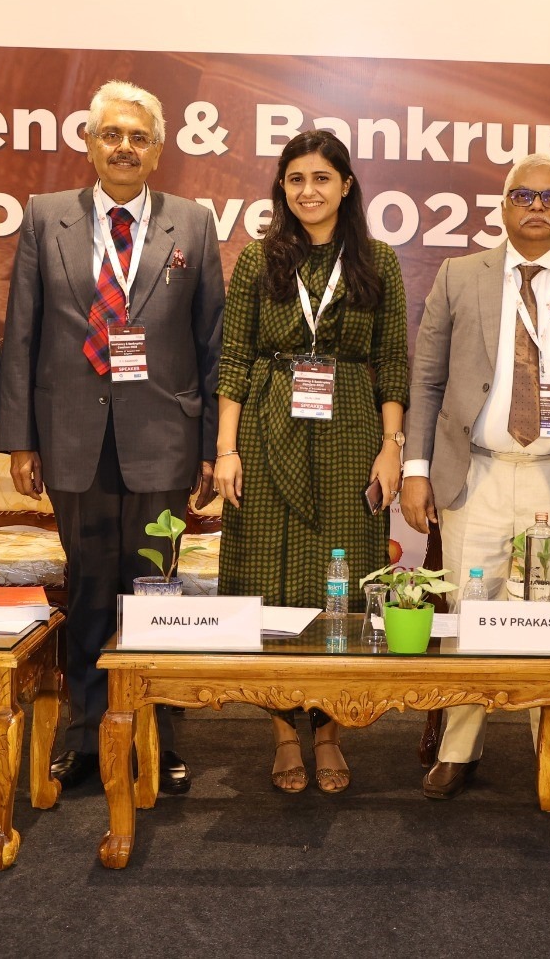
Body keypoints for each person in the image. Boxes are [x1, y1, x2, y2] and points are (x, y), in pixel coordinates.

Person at [0, 80, 223, 793]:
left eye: (139, 137)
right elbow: (22, 332)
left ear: (159, 151)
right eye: (111, 134)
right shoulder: (46, 216)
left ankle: (154, 732)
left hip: (163, 437)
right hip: (73, 436)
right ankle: (89, 734)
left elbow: (211, 342)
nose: (125, 147)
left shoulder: (193, 223)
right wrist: (20, 440)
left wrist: (210, 448)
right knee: (90, 588)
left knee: (154, 589)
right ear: (90, 143)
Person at [402, 153, 550, 800]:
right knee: (469, 607)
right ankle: (459, 748)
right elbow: (426, 380)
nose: (537, 207)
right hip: (475, 472)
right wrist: (416, 468)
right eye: (524, 196)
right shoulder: (459, 276)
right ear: (503, 207)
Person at [214, 130, 409, 795]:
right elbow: (235, 358)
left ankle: (328, 730)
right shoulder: (256, 260)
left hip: (351, 432)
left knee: (339, 580)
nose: (308, 191)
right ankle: (280, 731)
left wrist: (391, 446)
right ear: (282, 187)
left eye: (322, 178)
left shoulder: (378, 261)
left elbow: (392, 361)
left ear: (346, 186)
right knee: (266, 576)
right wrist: (226, 450)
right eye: (295, 179)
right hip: (267, 429)